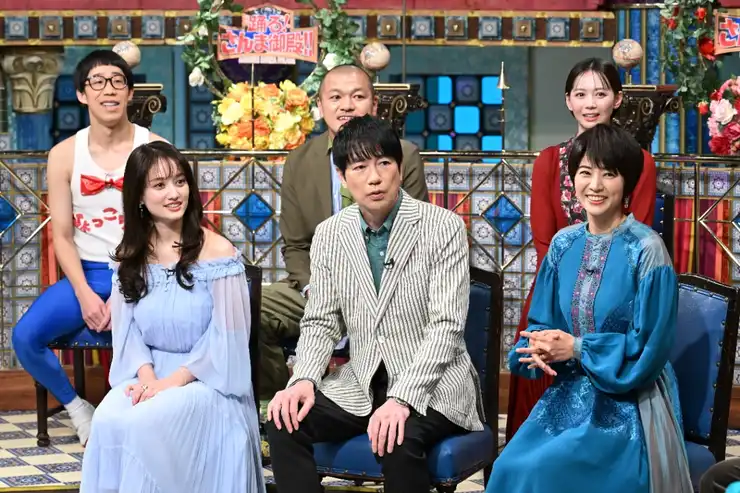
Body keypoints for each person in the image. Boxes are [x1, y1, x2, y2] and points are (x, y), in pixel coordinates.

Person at [265, 115, 482, 493]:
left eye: (384, 163)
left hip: (433, 384)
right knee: (284, 422)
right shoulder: (331, 234)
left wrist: (403, 398)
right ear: (342, 176)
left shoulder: (441, 226)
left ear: (399, 167)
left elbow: (446, 326)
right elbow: (321, 321)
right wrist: (303, 379)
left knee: (396, 436)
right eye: (360, 167)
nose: (375, 178)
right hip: (362, 381)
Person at [487, 124, 690, 493]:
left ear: (627, 183)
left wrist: (577, 348)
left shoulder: (647, 249)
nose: (595, 185)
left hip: (631, 395)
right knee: (510, 467)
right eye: (585, 172)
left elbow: (649, 348)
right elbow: (541, 322)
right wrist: (538, 347)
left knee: (543, 472)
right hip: (570, 390)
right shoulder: (563, 244)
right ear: (573, 179)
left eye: (609, 174)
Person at [80, 142, 264, 493]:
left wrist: (169, 384)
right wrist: (148, 379)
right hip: (149, 373)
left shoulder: (218, 253)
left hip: (207, 381)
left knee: (144, 422)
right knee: (105, 418)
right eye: (160, 185)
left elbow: (227, 339)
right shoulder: (130, 255)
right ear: (139, 196)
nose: (174, 193)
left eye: (180, 181)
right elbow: (128, 332)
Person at [11, 49, 165, 446]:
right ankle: (79, 408)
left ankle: (154, 413)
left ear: (129, 92)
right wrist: (83, 293)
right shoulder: (64, 154)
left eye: (117, 81)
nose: (108, 90)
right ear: (82, 94)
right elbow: (62, 235)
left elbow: (165, 229)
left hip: (145, 270)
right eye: (97, 82)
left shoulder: (155, 146)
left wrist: (124, 293)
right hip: (90, 271)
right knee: (25, 336)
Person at [505, 57, 658, 440]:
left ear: (617, 99)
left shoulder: (639, 162)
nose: (590, 103)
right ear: (568, 100)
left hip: (616, 299)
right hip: (554, 292)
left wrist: (595, 305)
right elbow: (545, 241)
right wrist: (566, 304)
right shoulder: (548, 161)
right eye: (581, 94)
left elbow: (636, 235)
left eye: (600, 94)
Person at [259, 64, 429, 400]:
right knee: (251, 306)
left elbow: (414, 237)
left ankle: (390, 398)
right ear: (320, 106)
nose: (346, 106)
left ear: (374, 104)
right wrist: (314, 290)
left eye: (357, 97)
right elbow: (296, 245)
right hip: (319, 289)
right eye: (335, 97)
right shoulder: (300, 161)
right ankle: (280, 402)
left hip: (387, 290)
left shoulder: (402, 156)